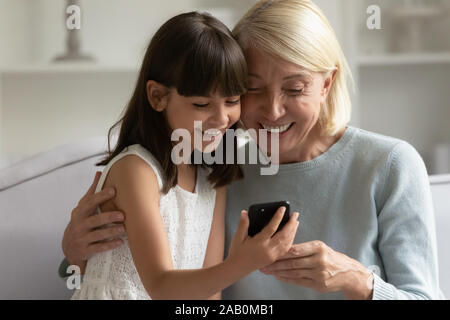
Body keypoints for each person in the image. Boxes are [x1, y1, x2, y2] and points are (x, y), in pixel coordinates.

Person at [61, 0, 444, 300]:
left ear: (326, 85)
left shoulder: (389, 164)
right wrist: (73, 252)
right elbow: (125, 275)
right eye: (252, 89)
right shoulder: (215, 161)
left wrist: (359, 281)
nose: (273, 110)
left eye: (295, 89)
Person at [68, 11, 299, 300]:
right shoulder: (136, 170)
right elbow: (161, 286)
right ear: (157, 97)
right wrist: (243, 263)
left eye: (232, 101)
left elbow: (209, 293)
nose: (222, 118)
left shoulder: (211, 177)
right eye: (202, 104)